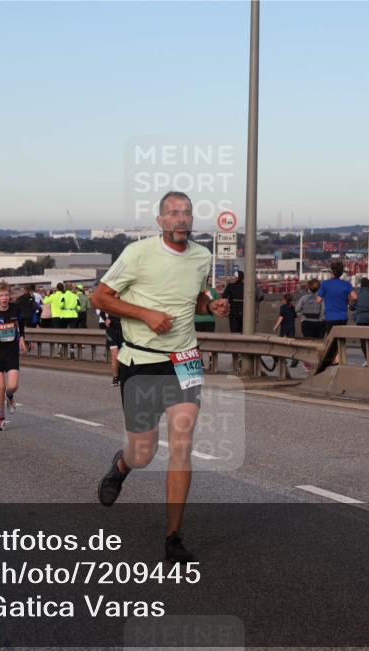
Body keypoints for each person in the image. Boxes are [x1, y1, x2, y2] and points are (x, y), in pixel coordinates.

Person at [91, 190, 230, 563]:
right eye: (173, 213)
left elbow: (194, 298)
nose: (181, 219)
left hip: (184, 358)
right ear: (160, 221)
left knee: (181, 444)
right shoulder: (138, 254)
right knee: (144, 451)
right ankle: (122, 465)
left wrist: (210, 305)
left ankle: (173, 537)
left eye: (186, 213)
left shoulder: (202, 255)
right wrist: (145, 315)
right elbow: (100, 297)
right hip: (142, 360)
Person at [0, 282, 28, 430]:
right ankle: (0, 418)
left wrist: (21, 338)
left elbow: (20, 325)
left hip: (11, 352)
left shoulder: (16, 309)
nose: (4, 298)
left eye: (7, 295)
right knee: (1, 386)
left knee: (13, 386)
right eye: (1, 295)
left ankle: (10, 396)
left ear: (10, 296)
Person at [316, 261, 356, 364]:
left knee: (331, 339)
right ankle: (340, 357)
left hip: (330, 317)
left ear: (332, 271)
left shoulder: (325, 284)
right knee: (341, 338)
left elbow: (318, 300)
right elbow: (355, 296)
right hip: (343, 316)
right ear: (341, 272)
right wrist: (348, 301)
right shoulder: (346, 284)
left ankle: (335, 359)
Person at [99, 307, 124, 386]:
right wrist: (105, 319)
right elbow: (101, 310)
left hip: (123, 329)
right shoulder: (110, 297)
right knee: (115, 354)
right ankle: (115, 378)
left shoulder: (125, 297)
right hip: (111, 330)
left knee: (121, 355)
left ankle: (120, 374)